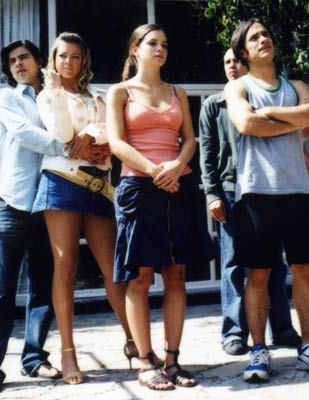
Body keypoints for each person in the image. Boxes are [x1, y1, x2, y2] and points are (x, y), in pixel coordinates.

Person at [224, 18, 309, 383]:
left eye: (266, 34)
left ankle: (308, 347)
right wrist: (293, 121)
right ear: (243, 51)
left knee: (304, 270)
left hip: (296, 190)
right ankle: (259, 351)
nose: (263, 40)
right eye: (254, 37)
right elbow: (246, 125)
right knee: (258, 274)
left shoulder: (297, 85)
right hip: (256, 191)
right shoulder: (237, 87)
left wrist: (269, 115)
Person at [107, 24, 213, 391]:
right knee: (139, 277)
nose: (160, 49)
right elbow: (116, 143)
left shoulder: (177, 92)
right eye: (153, 43)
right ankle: (143, 360)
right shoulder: (119, 92)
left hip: (177, 187)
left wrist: (175, 166)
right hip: (139, 186)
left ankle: (171, 359)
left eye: (165, 44)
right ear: (135, 48)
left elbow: (190, 139)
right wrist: (154, 170)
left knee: (177, 274)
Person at [34, 32, 138, 384]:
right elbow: (62, 134)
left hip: (98, 187)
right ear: (54, 60)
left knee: (113, 269)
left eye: (75, 56)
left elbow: (115, 129)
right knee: (66, 267)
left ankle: (133, 340)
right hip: (62, 183)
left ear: (84, 61)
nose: (68, 62)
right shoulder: (47, 95)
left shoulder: (100, 95)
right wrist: (54, 92)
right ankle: (68, 353)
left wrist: (93, 135)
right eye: (62, 56)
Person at [0, 40, 62, 395]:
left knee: (43, 287)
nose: (18, 64)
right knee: (0, 288)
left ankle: (35, 358)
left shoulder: (53, 98)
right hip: (11, 203)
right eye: (11, 60)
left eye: (24, 57)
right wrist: (67, 144)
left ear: (40, 61)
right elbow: (26, 135)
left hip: (49, 204)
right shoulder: (6, 98)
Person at [199, 48, 301, 356]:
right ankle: (234, 332)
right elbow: (207, 155)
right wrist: (212, 194)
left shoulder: (263, 102)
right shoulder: (212, 106)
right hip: (230, 192)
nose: (232, 66)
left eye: (237, 61)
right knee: (232, 264)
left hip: (265, 189)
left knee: (274, 264)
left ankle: (282, 328)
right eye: (226, 61)